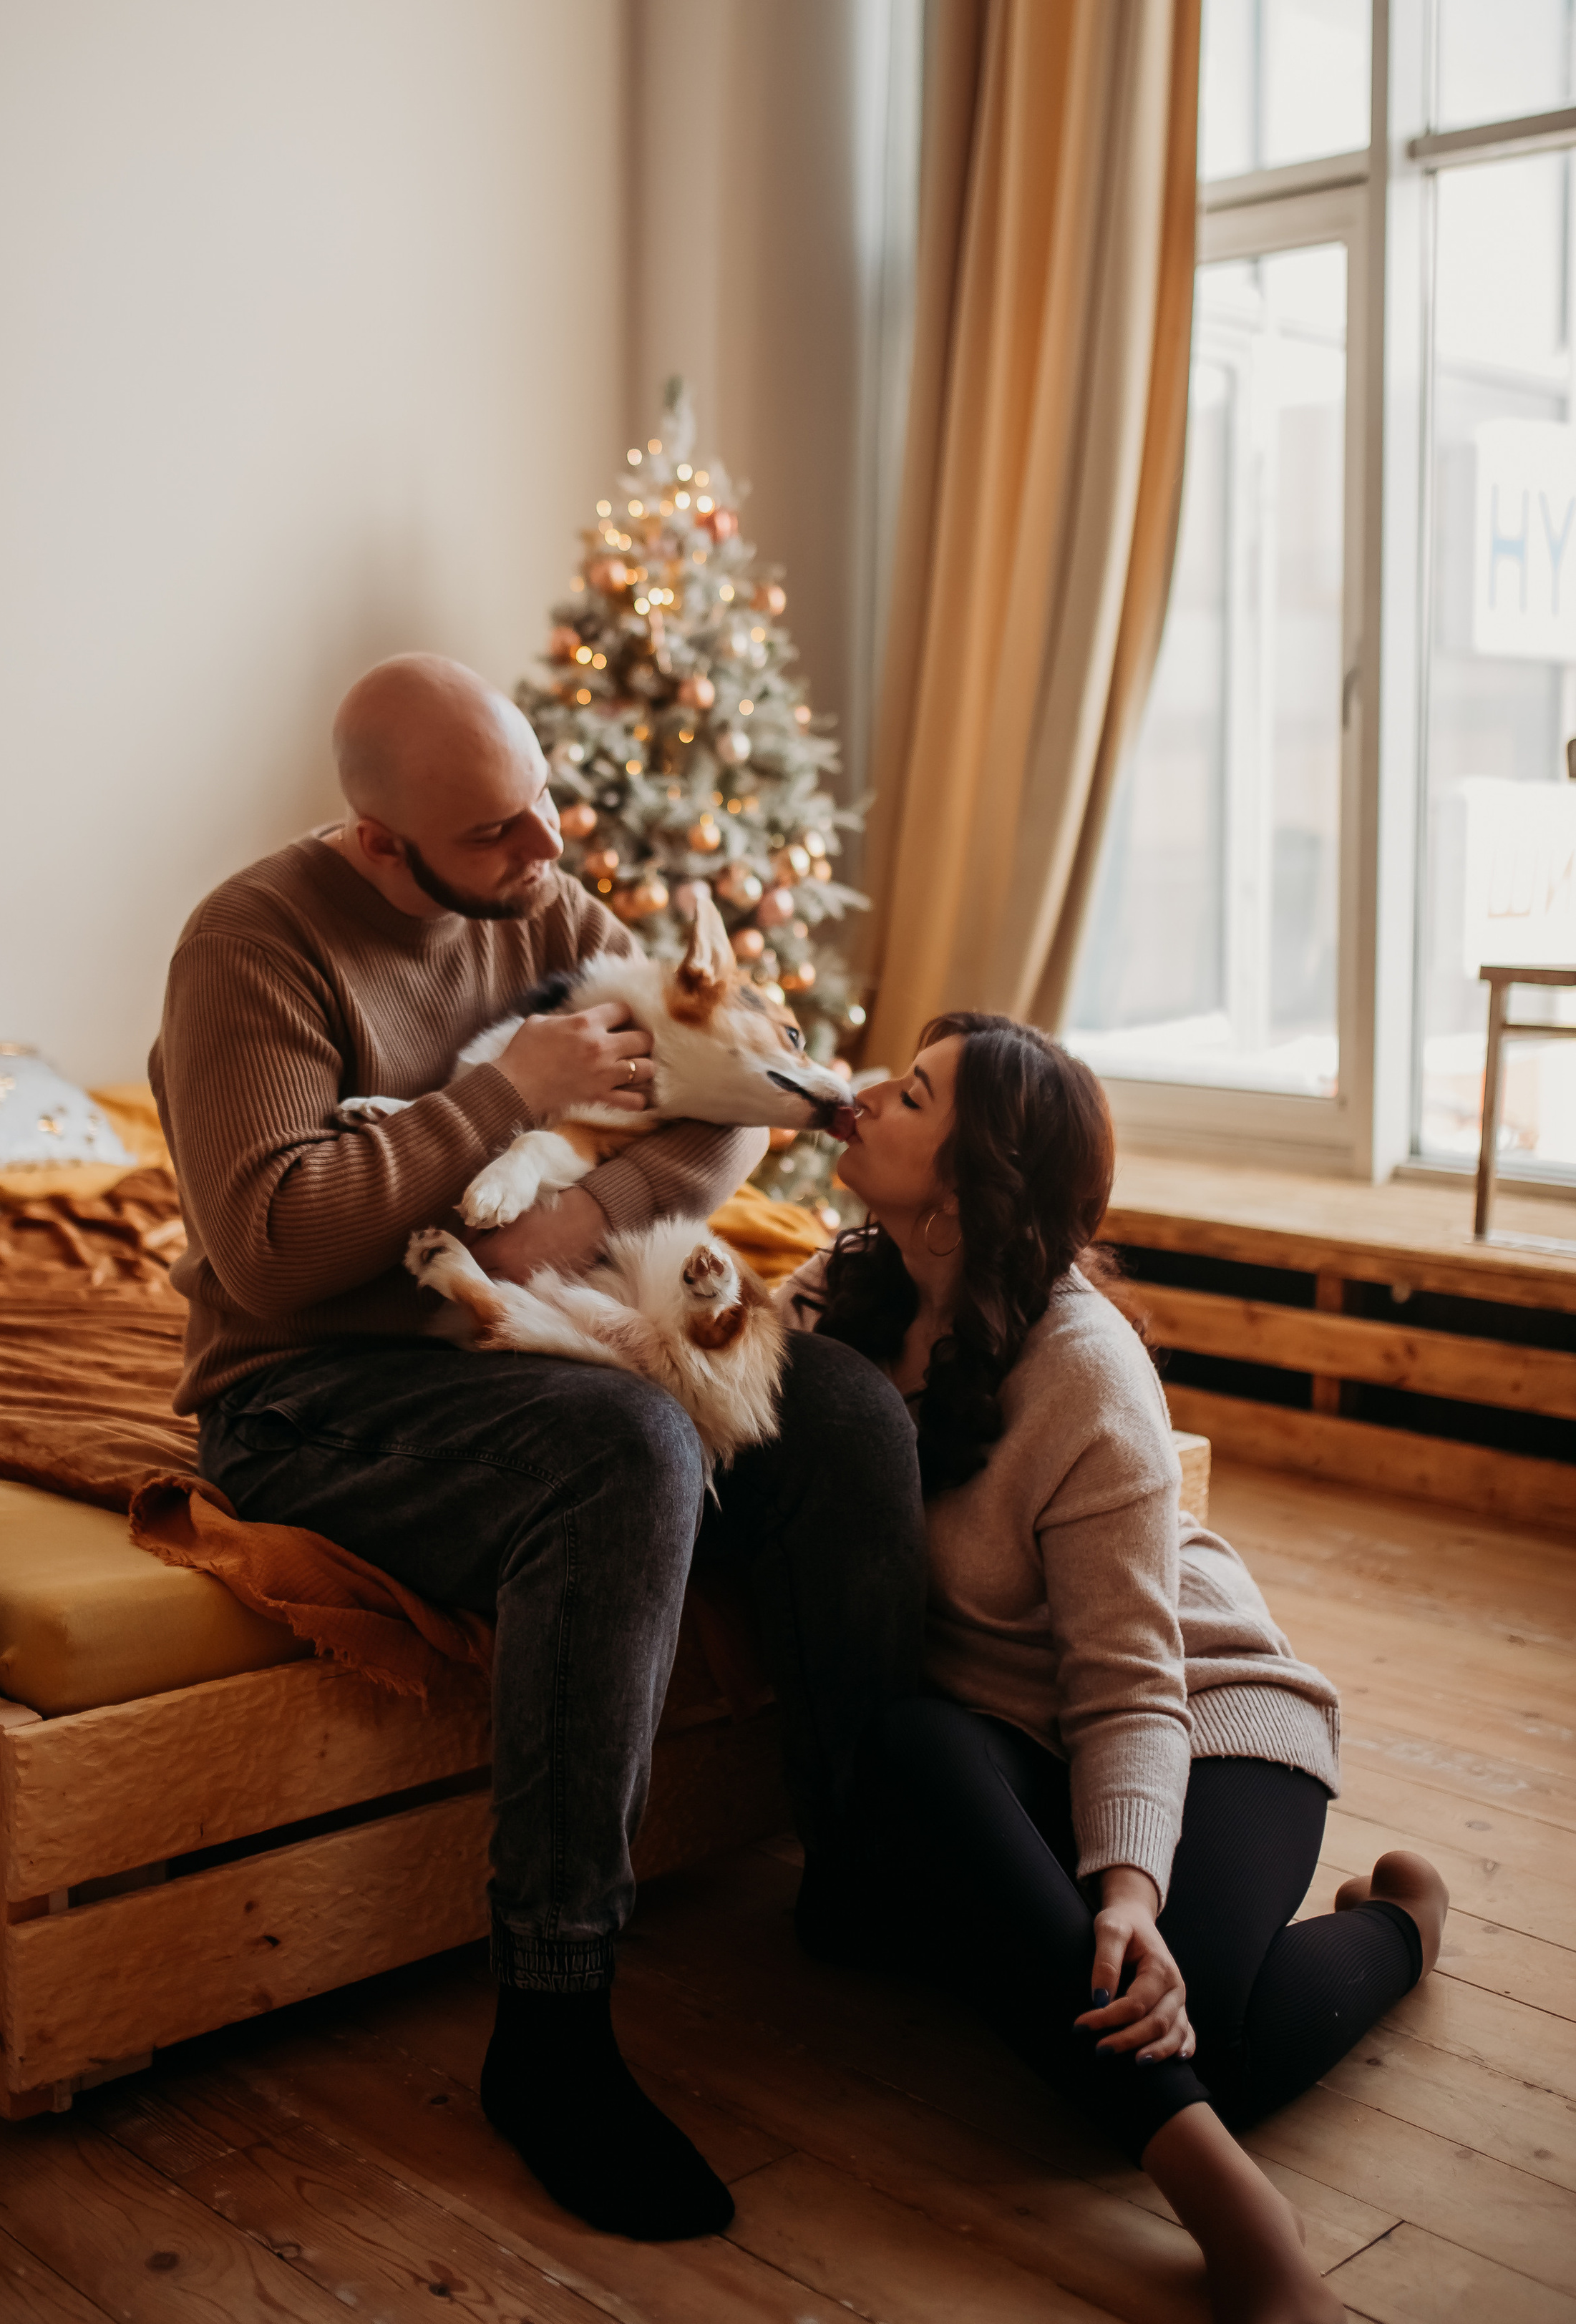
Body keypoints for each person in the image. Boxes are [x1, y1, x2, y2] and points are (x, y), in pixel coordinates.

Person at [149, 653, 924, 2242]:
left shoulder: (543, 911)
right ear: (381, 844)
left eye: (543, 803)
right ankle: (552, 2023)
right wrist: (504, 1092)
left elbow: (713, 1101)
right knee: (626, 1450)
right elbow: (276, 1254)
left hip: (537, 1332)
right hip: (313, 1388)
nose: (550, 856)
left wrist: (562, 1224)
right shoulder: (251, 948)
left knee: (838, 1404)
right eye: (497, 836)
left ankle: (861, 1866)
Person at [781, 1012, 1448, 2324]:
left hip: (1203, 1712)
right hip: (1009, 1730)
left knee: (1195, 2038)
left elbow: (1129, 1683)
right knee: (921, 1757)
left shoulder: (1087, 1373)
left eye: (909, 1096)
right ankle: (1223, 2182)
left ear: (963, 1196)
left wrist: (1127, 1890)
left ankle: (1398, 1934)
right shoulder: (835, 1298)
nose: (865, 1098)